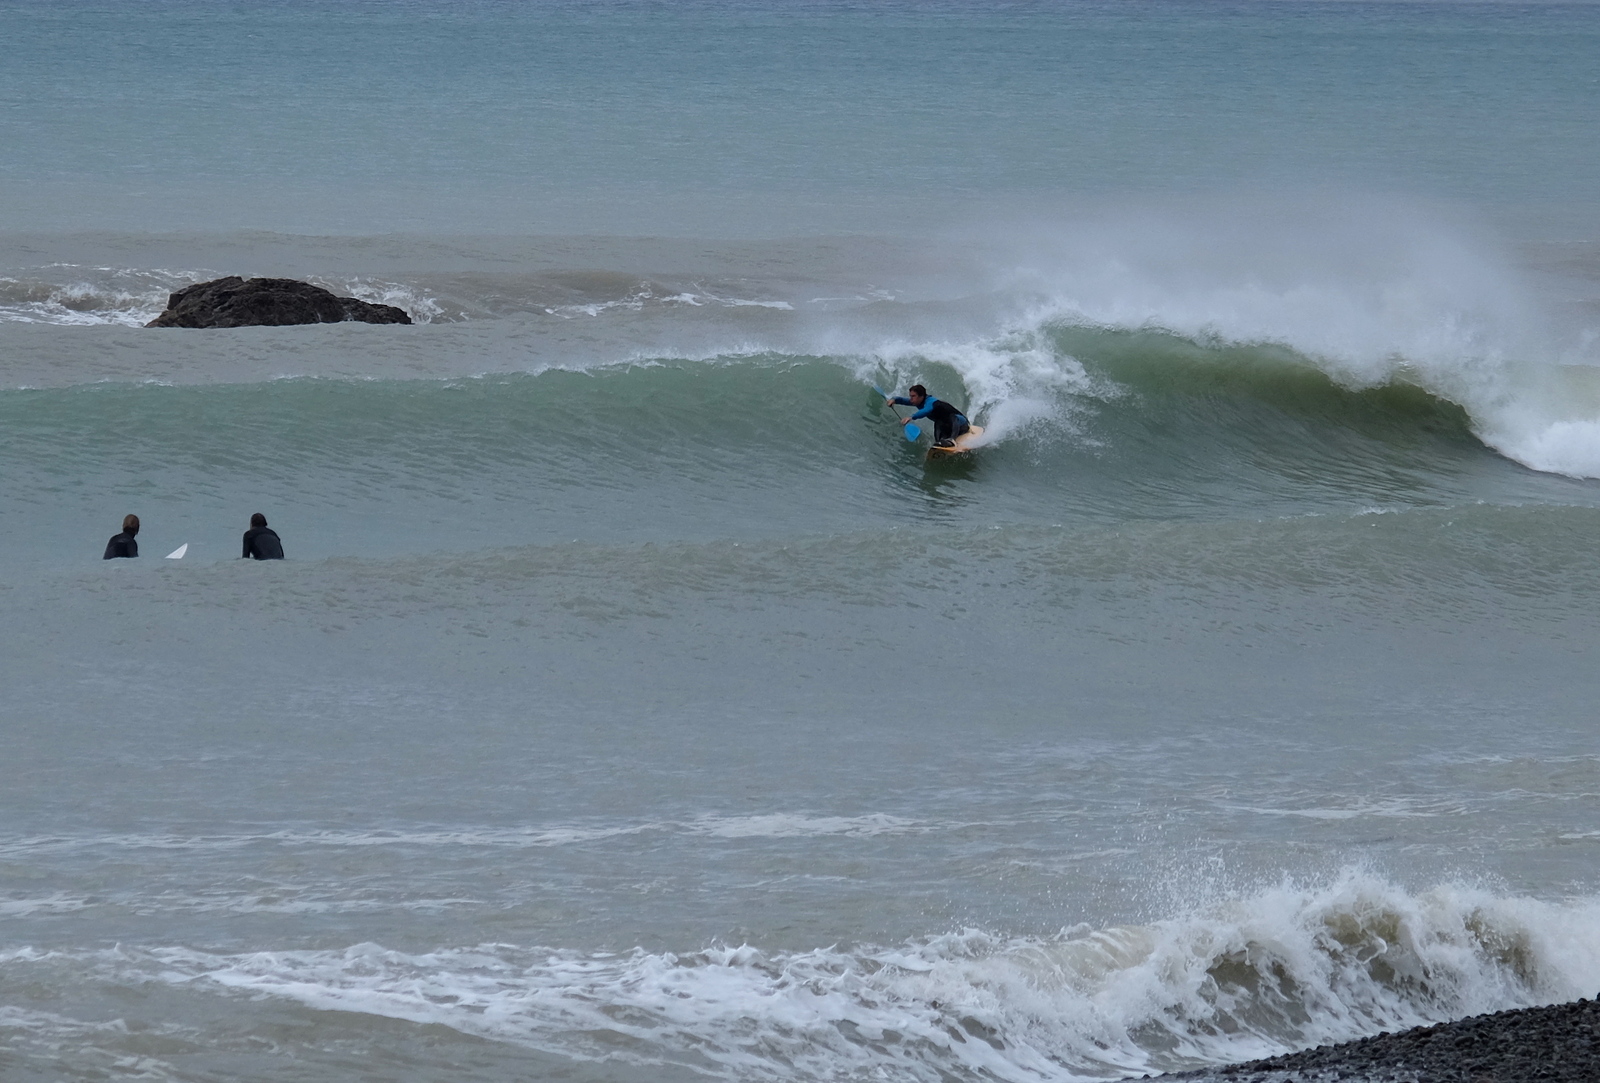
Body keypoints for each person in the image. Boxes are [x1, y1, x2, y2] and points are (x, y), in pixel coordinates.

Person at [885, 384, 971, 447]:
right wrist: (894, 400)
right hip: (947, 427)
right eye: (910, 396)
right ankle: (938, 445)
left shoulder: (931, 401)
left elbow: (926, 411)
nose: (911, 399)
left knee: (952, 417)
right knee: (938, 422)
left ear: (921, 396)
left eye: (913, 396)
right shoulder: (917, 402)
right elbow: (903, 400)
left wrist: (911, 417)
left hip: (961, 424)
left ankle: (952, 440)